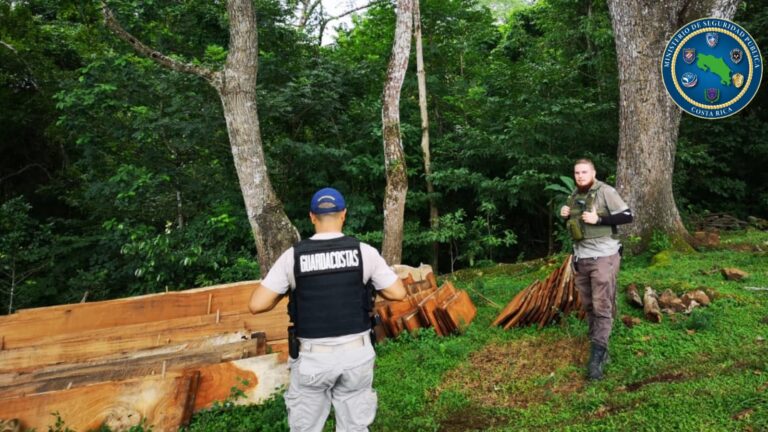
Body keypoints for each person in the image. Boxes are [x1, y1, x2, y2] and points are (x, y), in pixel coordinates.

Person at [249, 187, 406, 432]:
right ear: (343, 214)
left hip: (313, 359)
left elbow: (257, 304)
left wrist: (288, 288)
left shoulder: (293, 257)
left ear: (312, 217)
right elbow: (398, 293)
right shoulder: (364, 252)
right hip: (357, 355)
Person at [559, 159, 633, 380]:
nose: (580, 176)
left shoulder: (606, 192)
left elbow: (628, 216)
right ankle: (599, 344)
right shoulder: (574, 196)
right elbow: (574, 227)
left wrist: (599, 219)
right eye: (577, 173)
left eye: (584, 172)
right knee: (590, 305)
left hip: (604, 256)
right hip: (582, 258)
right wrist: (564, 215)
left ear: (593, 173)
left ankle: (596, 358)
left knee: (601, 305)